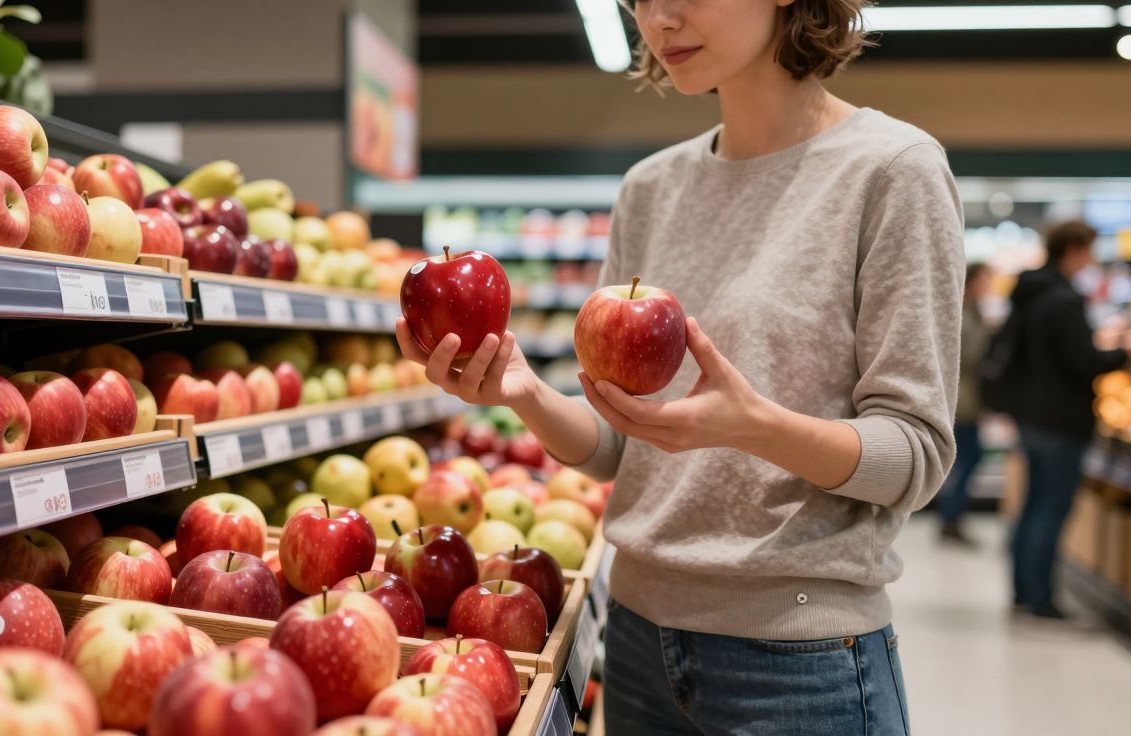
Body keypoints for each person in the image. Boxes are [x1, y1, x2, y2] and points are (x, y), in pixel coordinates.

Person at [397, 1, 964, 733]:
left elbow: (914, 456)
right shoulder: (650, 189)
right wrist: (524, 392)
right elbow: (621, 449)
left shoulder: (892, 171)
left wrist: (756, 429)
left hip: (800, 665)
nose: (657, 18)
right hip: (637, 640)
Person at [1005, 220, 1131, 620]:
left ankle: (1023, 591)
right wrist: (1126, 349)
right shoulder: (1064, 299)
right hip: (1061, 420)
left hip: (1032, 416)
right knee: (1052, 508)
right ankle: (1040, 598)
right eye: (1089, 249)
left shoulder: (1030, 292)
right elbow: (1085, 363)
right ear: (1074, 249)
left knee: (1034, 505)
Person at [937, 263, 994, 546]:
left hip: (969, 400)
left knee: (967, 459)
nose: (990, 285)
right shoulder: (965, 313)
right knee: (969, 458)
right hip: (963, 402)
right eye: (986, 279)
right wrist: (991, 336)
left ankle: (951, 516)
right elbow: (966, 355)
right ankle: (950, 517)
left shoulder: (975, 311)